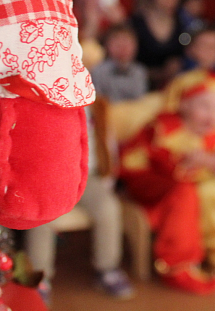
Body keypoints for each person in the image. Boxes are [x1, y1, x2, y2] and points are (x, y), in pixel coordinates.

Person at [119, 71, 215, 295]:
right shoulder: (164, 128)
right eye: (204, 107)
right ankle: (178, 263)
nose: (213, 115)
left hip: (179, 178)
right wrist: (190, 161)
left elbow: (204, 164)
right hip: (144, 177)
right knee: (185, 192)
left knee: (210, 188)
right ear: (184, 104)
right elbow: (151, 162)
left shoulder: (212, 132)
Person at [26, 103, 135, 304]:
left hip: (86, 175)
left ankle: (107, 269)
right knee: (42, 216)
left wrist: (108, 174)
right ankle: (40, 277)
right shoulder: (37, 104)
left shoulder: (95, 107)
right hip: (47, 177)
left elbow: (105, 141)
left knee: (108, 208)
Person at [130, 0, 185, 90]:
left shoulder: (181, 24)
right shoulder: (136, 23)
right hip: (138, 82)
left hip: (169, 84)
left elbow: (181, 54)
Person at [91, 24, 148, 103]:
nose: (122, 47)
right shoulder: (98, 71)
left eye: (126, 41)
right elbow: (98, 100)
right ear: (107, 45)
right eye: (117, 42)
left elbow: (140, 100)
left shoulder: (140, 72)